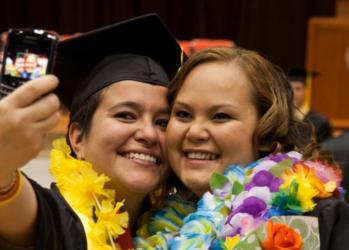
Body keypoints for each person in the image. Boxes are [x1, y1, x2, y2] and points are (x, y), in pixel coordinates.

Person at [134, 47, 349, 250]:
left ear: (266, 130)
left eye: (220, 116)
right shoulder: (148, 226)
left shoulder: (310, 219)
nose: (195, 132)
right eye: (183, 114)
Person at [0, 14, 183, 250]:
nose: (148, 133)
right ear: (77, 139)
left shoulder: (183, 230)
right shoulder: (60, 221)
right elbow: (15, 206)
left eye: (162, 122)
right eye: (126, 115)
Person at [288, 68, 332, 144]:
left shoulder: (320, 122)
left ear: (306, 91)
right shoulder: (282, 118)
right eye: (290, 89)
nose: (293, 93)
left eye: (298, 89)